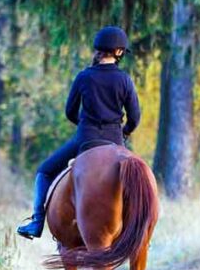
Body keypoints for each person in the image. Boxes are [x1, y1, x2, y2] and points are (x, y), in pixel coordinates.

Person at [17, 26, 141, 239]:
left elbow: (70, 112)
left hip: (85, 140)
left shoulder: (84, 77)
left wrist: (85, 125)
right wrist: (124, 132)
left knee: (44, 171)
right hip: (115, 141)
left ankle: (36, 222)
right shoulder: (124, 80)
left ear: (99, 50)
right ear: (119, 52)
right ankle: (140, 228)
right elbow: (135, 117)